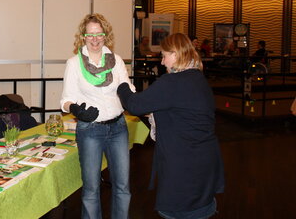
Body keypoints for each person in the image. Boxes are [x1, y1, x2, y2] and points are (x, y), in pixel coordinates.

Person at [117, 33, 225, 219]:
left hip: (184, 165)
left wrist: (121, 85)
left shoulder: (173, 82)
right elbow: (178, 110)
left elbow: (134, 105)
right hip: (205, 161)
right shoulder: (197, 78)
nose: (162, 62)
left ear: (175, 55)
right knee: (202, 207)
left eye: (164, 55)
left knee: (179, 211)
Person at [60, 13, 134, 219]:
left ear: (105, 35)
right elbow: (65, 100)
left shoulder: (116, 61)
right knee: (91, 189)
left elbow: (127, 88)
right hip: (90, 130)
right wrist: (75, 109)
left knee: (123, 186)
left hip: (118, 127)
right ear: (83, 36)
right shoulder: (74, 63)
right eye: (90, 35)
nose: (94, 39)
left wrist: (140, 101)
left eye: (99, 34)